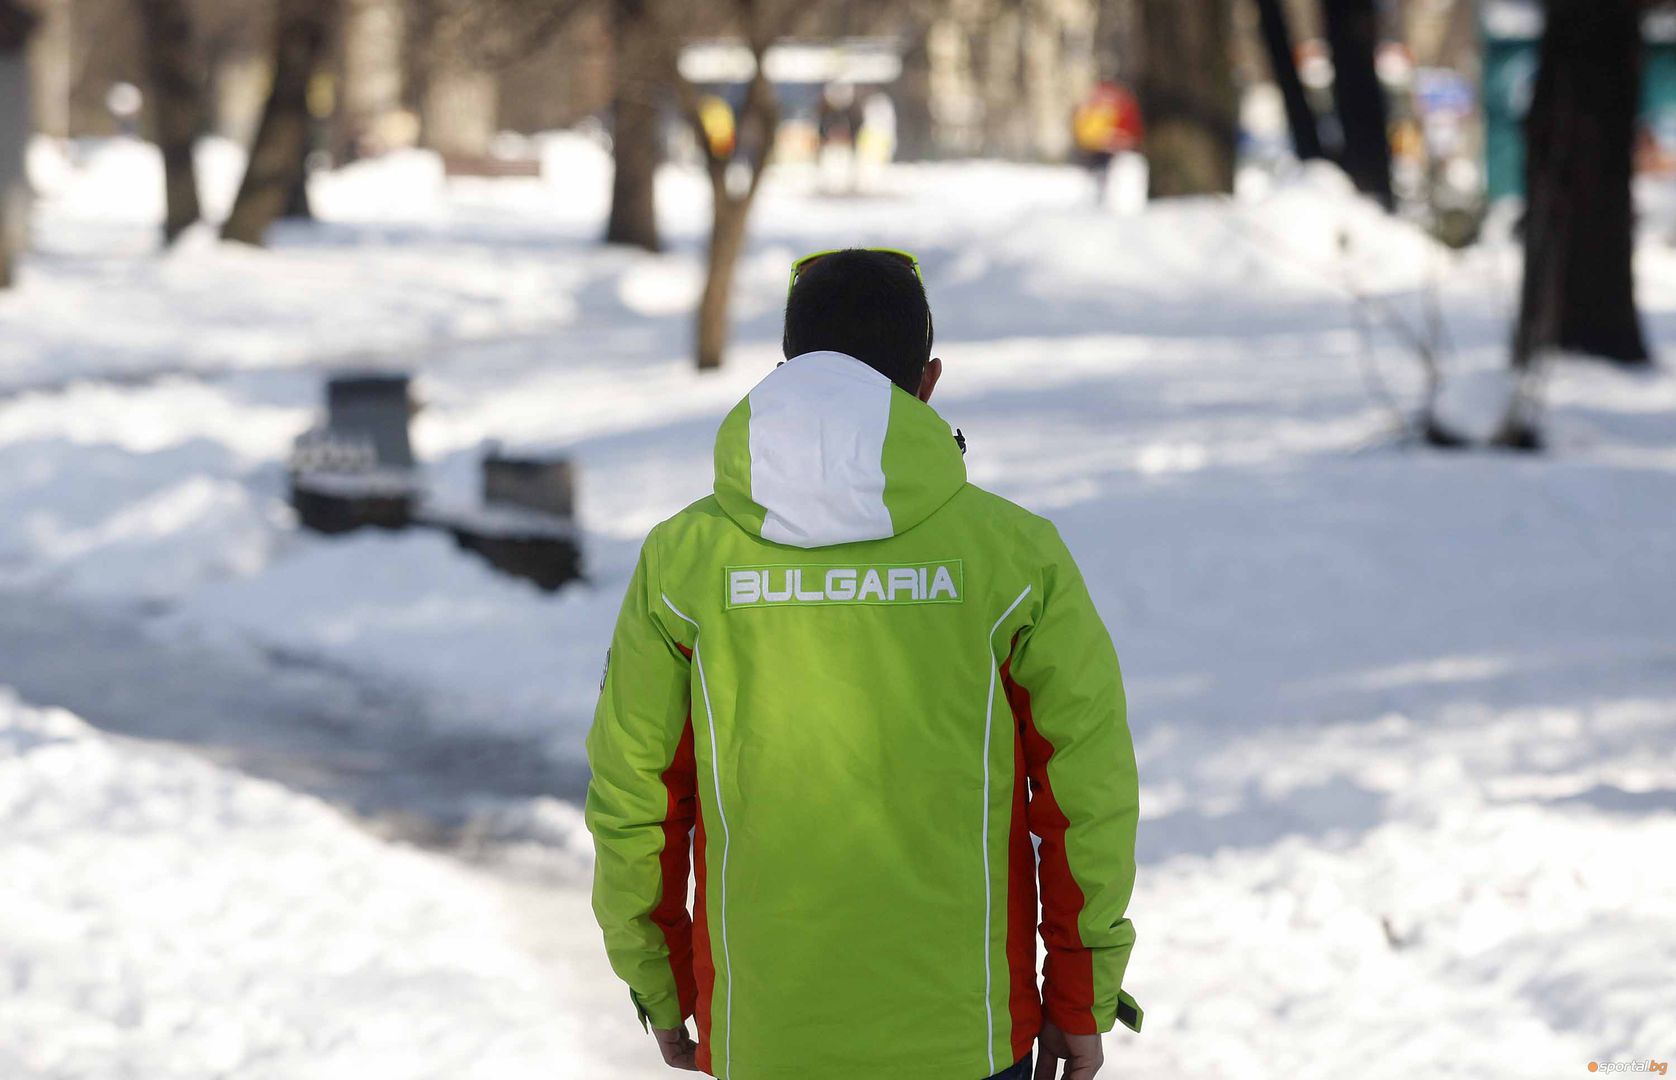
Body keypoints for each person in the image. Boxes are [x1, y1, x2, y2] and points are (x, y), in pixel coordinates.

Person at [586, 249, 1143, 1080]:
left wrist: (661, 987)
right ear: (928, 381)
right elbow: (1085, 795)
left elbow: (635, 800)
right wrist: (1078, 993)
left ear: (785, 373)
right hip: (971, 1040)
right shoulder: (1014, 557)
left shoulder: (686, 560)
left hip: (766, 1035)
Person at [1072, 80, 1144, 205]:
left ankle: (1102, 194)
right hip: (1097, 149)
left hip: (1107, 150)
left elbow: (1130, 131)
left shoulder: (1110, 108)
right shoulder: (1094, 109)